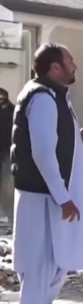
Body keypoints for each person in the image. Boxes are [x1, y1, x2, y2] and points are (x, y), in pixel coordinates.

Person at [11, 43, 83, 304]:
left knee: (57, 258)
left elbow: (53, 141)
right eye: (71, 60)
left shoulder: (53, 96)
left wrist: (78, 138)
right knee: (39, 259)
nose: (75, 66)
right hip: (41, 193)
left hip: (50, 191)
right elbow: (42, 152)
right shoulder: (42, 99)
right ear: (55, 68)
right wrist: (63, 197)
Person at [0, 88, 15, 226]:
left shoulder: (10, 111)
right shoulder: (11, 109)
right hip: (8, 154)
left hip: (7, 154)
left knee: (8, 196)